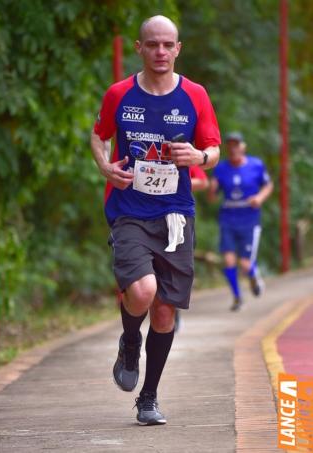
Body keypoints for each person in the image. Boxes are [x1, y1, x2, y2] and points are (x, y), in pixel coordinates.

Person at [91, 15, 220, 426]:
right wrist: (105, 167)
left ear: (178, 49)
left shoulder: (195, 95)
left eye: (168, 45)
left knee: (165, 311)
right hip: (129, 210)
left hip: (176, 215)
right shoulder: (120, 94)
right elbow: (99, 134)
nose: (161, 52)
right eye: (153, 45)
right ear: (139, 48)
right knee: (143, 291)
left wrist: (199, 158)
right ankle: (130, 342)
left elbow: (213, 147)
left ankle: (148, 398)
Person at [209, 132, 273, 311]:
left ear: (243, 147)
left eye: (236, 144)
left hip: (249, 219)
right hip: (228, 218)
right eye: (230, 145)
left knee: (244, 264)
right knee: (229, 260)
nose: (233, 148)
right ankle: (237, 296)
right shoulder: (221, 168)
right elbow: (212, 198)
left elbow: (268, 185)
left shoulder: (256, 165)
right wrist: (212, 190)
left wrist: (259, 197)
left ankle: (253, 276)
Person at [174, 165, 209, 331]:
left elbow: (203, 181)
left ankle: (175, 312)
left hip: (179, 218)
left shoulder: (180, 152)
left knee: (174, 270)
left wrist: (177, 182)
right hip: (142, 216)